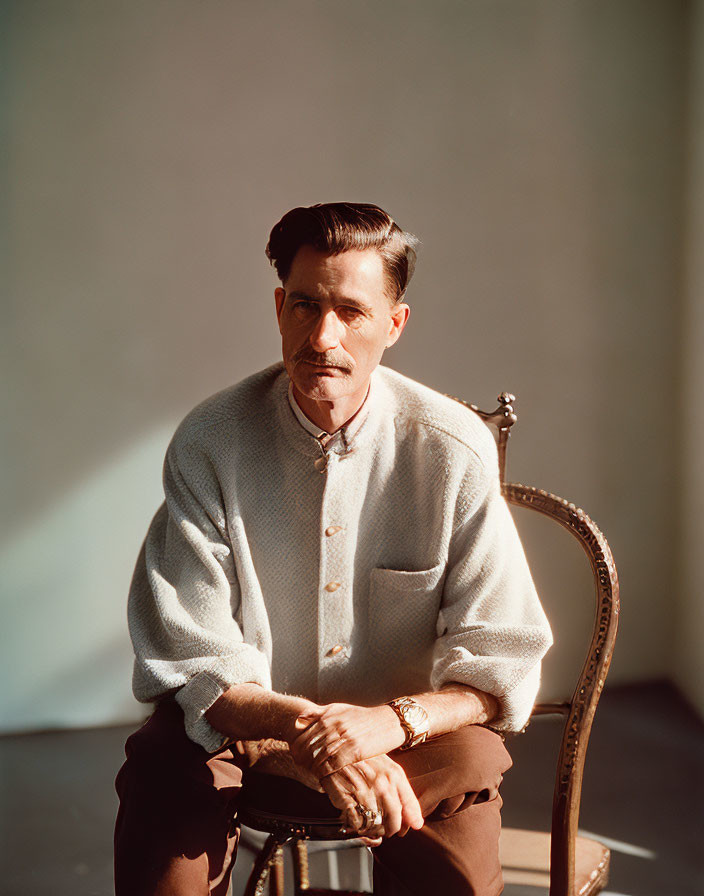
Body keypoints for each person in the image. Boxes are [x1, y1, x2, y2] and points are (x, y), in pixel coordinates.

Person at [114, 202, 552, 896]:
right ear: (279, 305)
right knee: (162, 764)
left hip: (410, 747)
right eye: (305, 305)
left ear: (394, 324)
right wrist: (313, 734)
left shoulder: (453, 448)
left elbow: (500, 655)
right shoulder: (209, 443)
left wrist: (389, 724)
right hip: (245, 732)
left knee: (471, 768)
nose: (323, 337)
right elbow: (192, 654)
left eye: (351, 311)